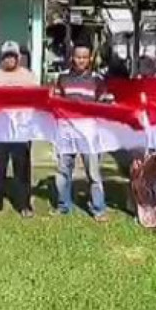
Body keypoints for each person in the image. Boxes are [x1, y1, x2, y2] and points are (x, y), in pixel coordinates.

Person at [53, 42, 110, 222]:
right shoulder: (62, 78)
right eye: (78, 57)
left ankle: (99, 208)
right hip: (66, 131)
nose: (81, 61)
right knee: (63, 170)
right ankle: (63, 206)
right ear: (72, 58)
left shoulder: (97, 79)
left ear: (90, 58)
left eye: (85, 57)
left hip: (89, 133)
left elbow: (106, 103)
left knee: (93, 173)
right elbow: (54, 101)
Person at [0, 41, 39, 217]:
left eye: (12, 56)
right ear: (2, 58)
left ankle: (24, 205)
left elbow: (37, 100)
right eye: (6, 56)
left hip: (21, 130)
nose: (9, 60)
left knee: (22, 167)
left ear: (18, 58)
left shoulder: (28, 77)